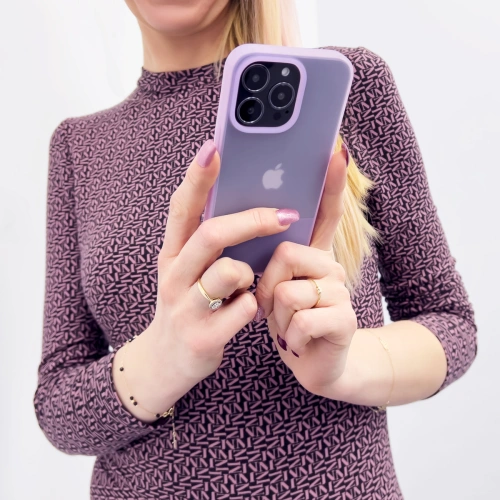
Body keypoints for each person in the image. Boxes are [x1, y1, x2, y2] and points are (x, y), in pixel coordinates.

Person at [33, 1, 478, 498]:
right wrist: (159, 361)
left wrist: (346, 366)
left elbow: (450, 322)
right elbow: (56, 405)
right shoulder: (77, 146)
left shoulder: (346, 89)